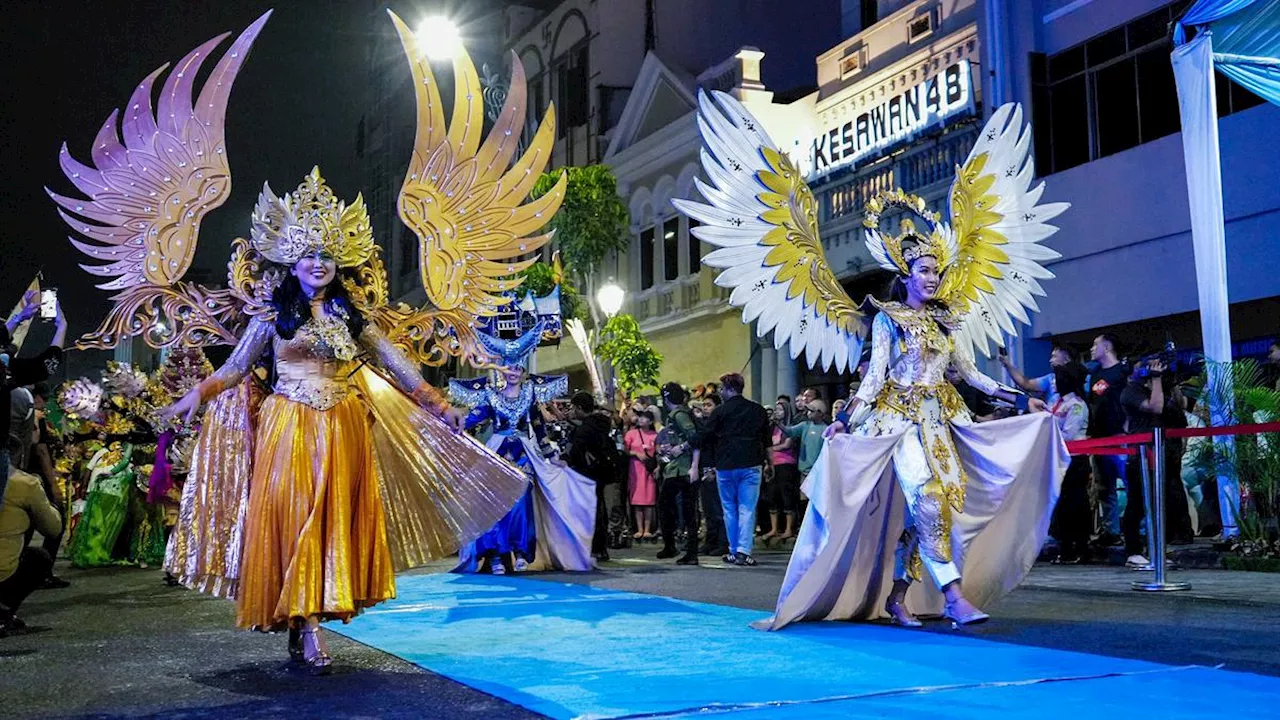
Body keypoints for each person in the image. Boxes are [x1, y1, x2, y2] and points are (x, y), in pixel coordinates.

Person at [159, 172, 529, 673]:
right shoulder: (272, 316)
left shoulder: (354, 320)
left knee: (331, 521)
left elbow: (400, 366)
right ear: (293, 260)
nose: (318, 263)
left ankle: (309, 621)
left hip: (344, 426)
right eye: (310, 254)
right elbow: (235, 367)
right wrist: (197, 395)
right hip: (288, 425)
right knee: (296, 519)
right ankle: (305, 624)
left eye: (327, 255)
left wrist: (441, 406)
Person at [758, 235, 1061, 631]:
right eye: (924, 270)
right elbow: (875, 379)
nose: (932, 277)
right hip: (898, 422)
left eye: (936, 270)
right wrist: (845, 419)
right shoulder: (888, 319)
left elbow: (972, 375)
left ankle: (898, 597)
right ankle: (954, 598)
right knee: (930, 498)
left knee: (930, 514)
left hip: (941, 423)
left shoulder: (945, 320)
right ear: (907, 275)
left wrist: (1022, 402)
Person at [451, 326, 595, 575]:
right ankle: (495, 556)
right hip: (496, 455)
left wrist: (552, 457)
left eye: (518, 368)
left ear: (524, 370)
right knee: (493, 506)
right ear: (503, 369)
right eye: (509, 367)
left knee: (520, 505)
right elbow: (471, 420)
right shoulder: (490, 396)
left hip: (522, 457)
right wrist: (449, 422)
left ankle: (519, 551)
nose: (514, 372)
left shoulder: (529, 396)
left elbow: (539, 429)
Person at [1120, 358, 1194, 567]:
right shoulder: (1131, 391)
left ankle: (1158, 551)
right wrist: (1156, 378)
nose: (1149, 369)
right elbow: (1155, 407)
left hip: (1165, 454)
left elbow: (1179, 412)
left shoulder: (1163, 389)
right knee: (1138, 503)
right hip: (1142, 455)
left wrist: (1169, 383)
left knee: (1162, 503)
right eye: (1143, 366)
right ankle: (1133, 551)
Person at [694, 373, 771, 566]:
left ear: (729, 389)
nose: (720, 392)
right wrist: (771, 462)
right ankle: (744, 551)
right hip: (751, 463)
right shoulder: (758, 410)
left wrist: (687, 445)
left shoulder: (720, 412)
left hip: (726, 465)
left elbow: (706, 435)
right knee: (747, 508)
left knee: (729, 508)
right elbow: (766, 439)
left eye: (722, 389)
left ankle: (733, 549)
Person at [2, 292, 67, 508]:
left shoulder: (6, 368)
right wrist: (61, 326)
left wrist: (18, 318)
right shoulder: (7, 374)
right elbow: (47, 366)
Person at [1, 437, 62, 636]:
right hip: (3, 573)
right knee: (39, 558)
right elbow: (53, 528)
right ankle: (3, 614)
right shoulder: (24, 483)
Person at [1085, 334, 1129, 547]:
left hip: (1120, 437)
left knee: (1130, 483)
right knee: (1104, 487)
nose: (1092, 348)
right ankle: (1111, 530)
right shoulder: (1095, 374)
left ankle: (1141, 530)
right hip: (1099, 438)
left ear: (1107, 346)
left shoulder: (1122, 372)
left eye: (1095, 344)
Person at [1047, 363, 1091, 563]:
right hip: (1059, 458)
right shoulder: (1056, 402)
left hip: (1075, 459)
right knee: (1062, 503)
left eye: (1057, 378)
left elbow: (1069, 434)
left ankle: (1080, 546)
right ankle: (1064, 546)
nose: (1053, 382)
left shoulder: (1076, 405)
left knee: (1075, 502)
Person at [565, 392, 617, 563]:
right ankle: (601, 548)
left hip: (587, 474)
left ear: (580, 408)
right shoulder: (601, 423)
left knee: (590, 510)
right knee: (600, 507)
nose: (572, 411)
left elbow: (575, 453)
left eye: (573, 407)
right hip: (602, 470)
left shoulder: (584, 430)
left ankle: (592, 546)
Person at [655, 383, 700, 565]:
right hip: (677, 468)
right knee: (682, 509)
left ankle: (682, 549)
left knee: (678, 508)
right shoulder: (676, 415)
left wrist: (681, 449)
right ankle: (679, 548)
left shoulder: (679, 415)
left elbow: (695, 437)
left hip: (683, 468)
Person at [693, 394, 729, 557]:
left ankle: (723, 542)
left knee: (718, 508)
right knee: (707, 508)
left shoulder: (720, 426)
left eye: (709, 405)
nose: (705, 408)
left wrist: (714, 468)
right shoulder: (704, 425)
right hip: (703, 467)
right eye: (704, 405)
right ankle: (710, 540)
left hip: (715, 468)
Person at [761, 400, 800, 545]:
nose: (777, 412)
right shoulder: (772, 428)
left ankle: (789, 528)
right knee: (772, 495)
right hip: (773, 464)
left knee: (786, 495)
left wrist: (771, 449)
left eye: (780, 410)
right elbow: (767, 444)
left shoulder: (789, 427)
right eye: (776, 410)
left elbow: (787, 444)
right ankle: (774, 528)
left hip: (786, 464)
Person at [625, 409, 659, 542]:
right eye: (640, 418)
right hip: (635, 469)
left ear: (650, 421)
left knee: (649, 500)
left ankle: (647, 529)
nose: (641, 420)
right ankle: (639, 529)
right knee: (637, 500)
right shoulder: (631, 434)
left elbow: (658, 453)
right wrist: (636, 454)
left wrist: (658, 467)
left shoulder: (654, 435)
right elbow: (625, 450)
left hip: (648, 470)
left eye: (644, 418)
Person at [784, 399, 830, 482]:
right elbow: (790, 432)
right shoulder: (805, 425)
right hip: (804, 471)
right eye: (808, 410)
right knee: (803, 494)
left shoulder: (826, 429)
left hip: (819, 472)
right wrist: (779, 424)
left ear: (820, 413)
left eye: (812, 411)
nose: (808, 412)